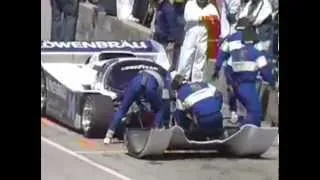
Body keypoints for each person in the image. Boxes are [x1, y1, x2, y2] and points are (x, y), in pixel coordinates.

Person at [213, 18, 277, 127]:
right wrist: (272, 80)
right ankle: (244, 125)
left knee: (233, 92)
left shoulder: (230, 38)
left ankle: (233, 113)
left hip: (232, 70)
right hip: (248, 75)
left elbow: (221, 54)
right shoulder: (255, 41)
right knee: (254, 109)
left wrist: (217, 68)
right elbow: (263, 63)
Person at [104, 70, 171, 144]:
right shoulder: (165, 81)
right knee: (160, 109)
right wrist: (166, 122)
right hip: (150, 84)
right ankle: (156, 132)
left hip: (136, 82)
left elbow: (129, 93)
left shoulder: (142, 74)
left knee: (122, 109)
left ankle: (109, 135)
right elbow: (165, 102)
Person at [177, 0, 220, 82]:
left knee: (200, 61)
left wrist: (203, 19)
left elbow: (215, 20)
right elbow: (188, 17)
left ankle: (196, 82)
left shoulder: (211, 8)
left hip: (203, 37)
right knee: (186, 58)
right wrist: (204, 19)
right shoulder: (190, 4)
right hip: (191, 36)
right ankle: (182, 79)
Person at [171, 74, 224, 140]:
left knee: (191, 129)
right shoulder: (204, 83)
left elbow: (180, 118)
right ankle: (218, 135)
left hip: (203, 122)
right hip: (218, 117)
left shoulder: (180, 94)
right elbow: (219, 95)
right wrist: (217, 108)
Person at [151, 0, 182, 71]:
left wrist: (171, 41)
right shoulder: (160, 6)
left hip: (164, 40)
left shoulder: (168, 8)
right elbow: (157, 21)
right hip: (157, 36)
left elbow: (172, 25)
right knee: (155, 59)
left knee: (162, 62)